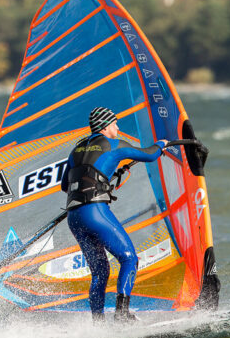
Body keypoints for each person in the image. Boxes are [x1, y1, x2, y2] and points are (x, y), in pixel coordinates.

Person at [60, 106, 167, 322]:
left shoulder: (76, 149)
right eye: (115, 124)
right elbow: (150, 154)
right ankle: (122, 314)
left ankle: (98, 325)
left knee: (100, 272)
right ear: (106, 126)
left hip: (74, 217)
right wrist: (163, 144)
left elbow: (65, 185)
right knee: (129, 259)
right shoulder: (115, 145)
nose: (118, 128)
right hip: (95, 213)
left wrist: (101, 181)